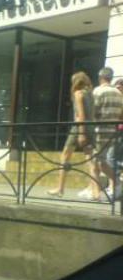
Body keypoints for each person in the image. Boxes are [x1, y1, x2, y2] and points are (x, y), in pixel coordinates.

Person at [47, 72, 95, 198]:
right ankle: (96, 191)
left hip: (79, 127)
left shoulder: (78, 94)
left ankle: (60, 188)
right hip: (91, 126)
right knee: (89, 158)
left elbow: (81, 115)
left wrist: (81, 133)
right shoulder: (90, 94)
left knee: (65, 156)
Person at [89, 67, 123, 200]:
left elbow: (94, 111)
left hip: (100, 130)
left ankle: (113, 184)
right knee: (103, 160)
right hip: (113, 131)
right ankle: (96, 191)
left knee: (98, 162)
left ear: (100, 77)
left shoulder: (98, 91)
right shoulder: (118, 93)